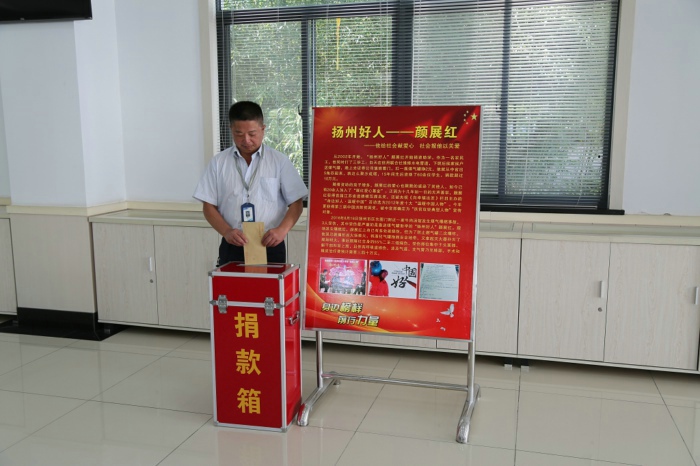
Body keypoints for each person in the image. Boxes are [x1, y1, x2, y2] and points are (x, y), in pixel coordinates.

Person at [194, 101, 308, 265]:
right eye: (239, 134)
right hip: (233, 242)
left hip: (269, 243)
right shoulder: (219, 163)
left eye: (252, 134)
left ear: (263, 129)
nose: (246, 140)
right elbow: (208, 206)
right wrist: (226, 231)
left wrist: (281, 231)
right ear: (231, 130)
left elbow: (296, 203)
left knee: (270, 282)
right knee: (230, 282)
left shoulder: (279, 162)